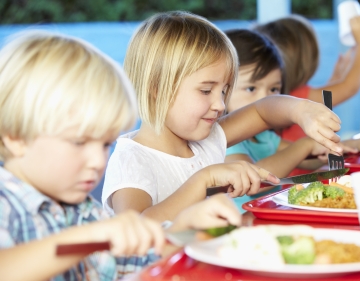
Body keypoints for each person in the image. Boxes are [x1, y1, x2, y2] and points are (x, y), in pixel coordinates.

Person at [0, 30, 241, 281]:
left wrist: (183, 231)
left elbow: (134, 264)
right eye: (79, 142)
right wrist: (84, 240)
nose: (98, 161)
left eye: (104, 144)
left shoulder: (83, 211)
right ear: (16, 137)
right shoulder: (7, 207)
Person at [102, 11, 343, 221]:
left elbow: (263, 112)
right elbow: (136, 229)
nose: (219, 104)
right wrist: (203, 180)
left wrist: (301, 110)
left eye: (225, 90)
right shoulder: (131, 160)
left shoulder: (206, 140)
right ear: (156, 88)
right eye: (206, 91)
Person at [224, 29, 360, 209]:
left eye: (273, 89)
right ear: (222, 88)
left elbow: (305, 158)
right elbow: (254, 182)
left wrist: (356, 145)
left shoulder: (263, 136)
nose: (265, 98)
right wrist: (305, 145)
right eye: (251, 89)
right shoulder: (226, 141)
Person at [254, 14, 360, 141]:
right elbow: (350, 87)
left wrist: (335, 80)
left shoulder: (279, 96)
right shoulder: (297, 97)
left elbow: (324, 101)